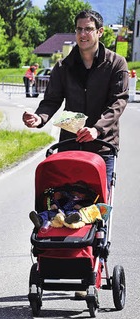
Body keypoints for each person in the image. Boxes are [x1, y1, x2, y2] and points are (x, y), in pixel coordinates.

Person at [22, 9, 128, 186]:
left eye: (88, 29)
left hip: (102, 145)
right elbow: (51, 100)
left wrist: (97, 129)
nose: (83, 34)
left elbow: (118, 101)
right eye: (79, 29)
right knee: (63, 201)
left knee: (99, 205)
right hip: (69, 144)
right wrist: (39, 117)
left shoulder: (116, 63)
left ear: (99, 32)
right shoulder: (63, 66)